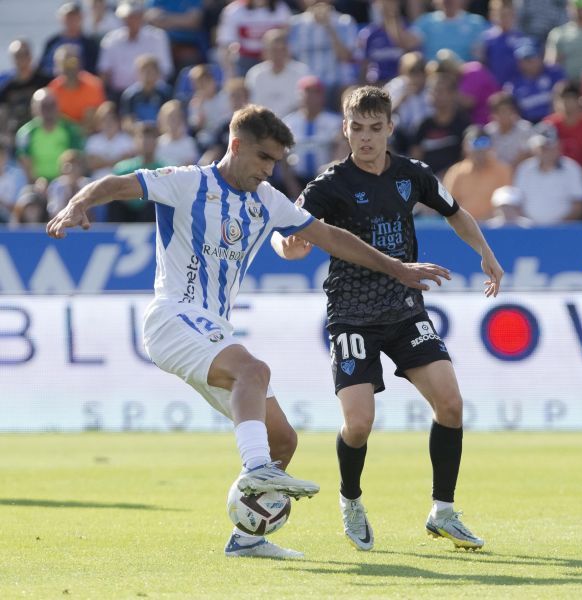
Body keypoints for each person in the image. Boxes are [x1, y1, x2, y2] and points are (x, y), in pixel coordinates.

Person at [46, 104, 451, 559]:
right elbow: (119, 184)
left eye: (275, 161)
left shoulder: (266, 198)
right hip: (173, 317)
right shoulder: (187, 182)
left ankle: (248, 537)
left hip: (211, 329)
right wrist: (77, 204)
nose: (268, 169)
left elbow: (332, 238)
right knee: (252, 371)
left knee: (284, 439)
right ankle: (257, 468)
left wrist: (395, 268)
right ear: (236, 146)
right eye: (262, 158)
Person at [274, 85, 503, 552]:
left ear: (390, 129)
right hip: (352, 315)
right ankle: (351, 500)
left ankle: (443, 511)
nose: (366, 138)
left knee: (451, 405)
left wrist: (485, 252)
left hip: (403, 310)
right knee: (358, 424)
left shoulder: (411, 174)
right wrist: (289, 245)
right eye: (357, 128)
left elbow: (456, 213)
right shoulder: (328, 185)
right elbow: (289, 238)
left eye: (375, 128)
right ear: (345, 129)